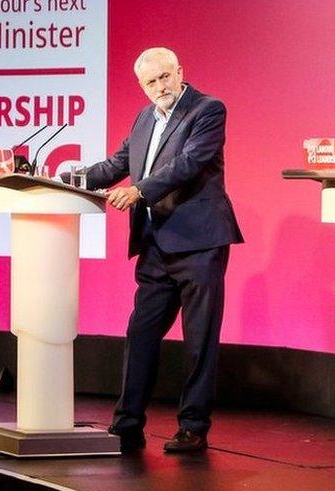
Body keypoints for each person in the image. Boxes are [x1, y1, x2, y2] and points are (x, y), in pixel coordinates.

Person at [80, 47, 243, 454]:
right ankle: (127, 423)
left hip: (199, 244)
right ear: (142, 86)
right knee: (141, 333)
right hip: (155, 245)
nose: (160, 86)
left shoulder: (207, 109)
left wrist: (138, 192)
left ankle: (193, 426)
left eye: (166, 77)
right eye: (151, 82)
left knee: (199, 338)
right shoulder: (143, 118)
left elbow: (188, 164)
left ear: (180, 72)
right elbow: (117, 163)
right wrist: (65, 178)